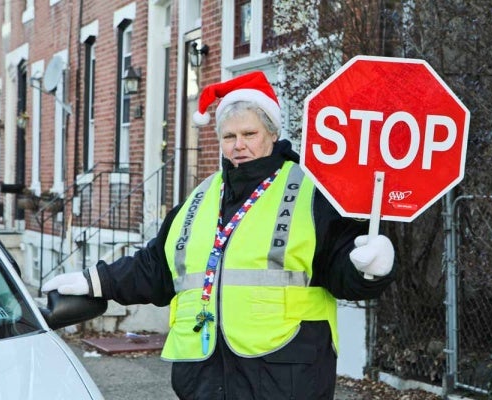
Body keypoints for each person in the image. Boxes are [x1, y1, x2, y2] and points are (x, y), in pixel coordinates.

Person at [42, 71, 396, 400]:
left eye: (249, 134)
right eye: (229, 136)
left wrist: (371, 268)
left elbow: (343, 269)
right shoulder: (201, 196)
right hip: (207, 379)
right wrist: (97, 281)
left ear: (273, 133)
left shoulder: (311, 191)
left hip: (285, 378)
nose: (238, 145)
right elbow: (156, 268)